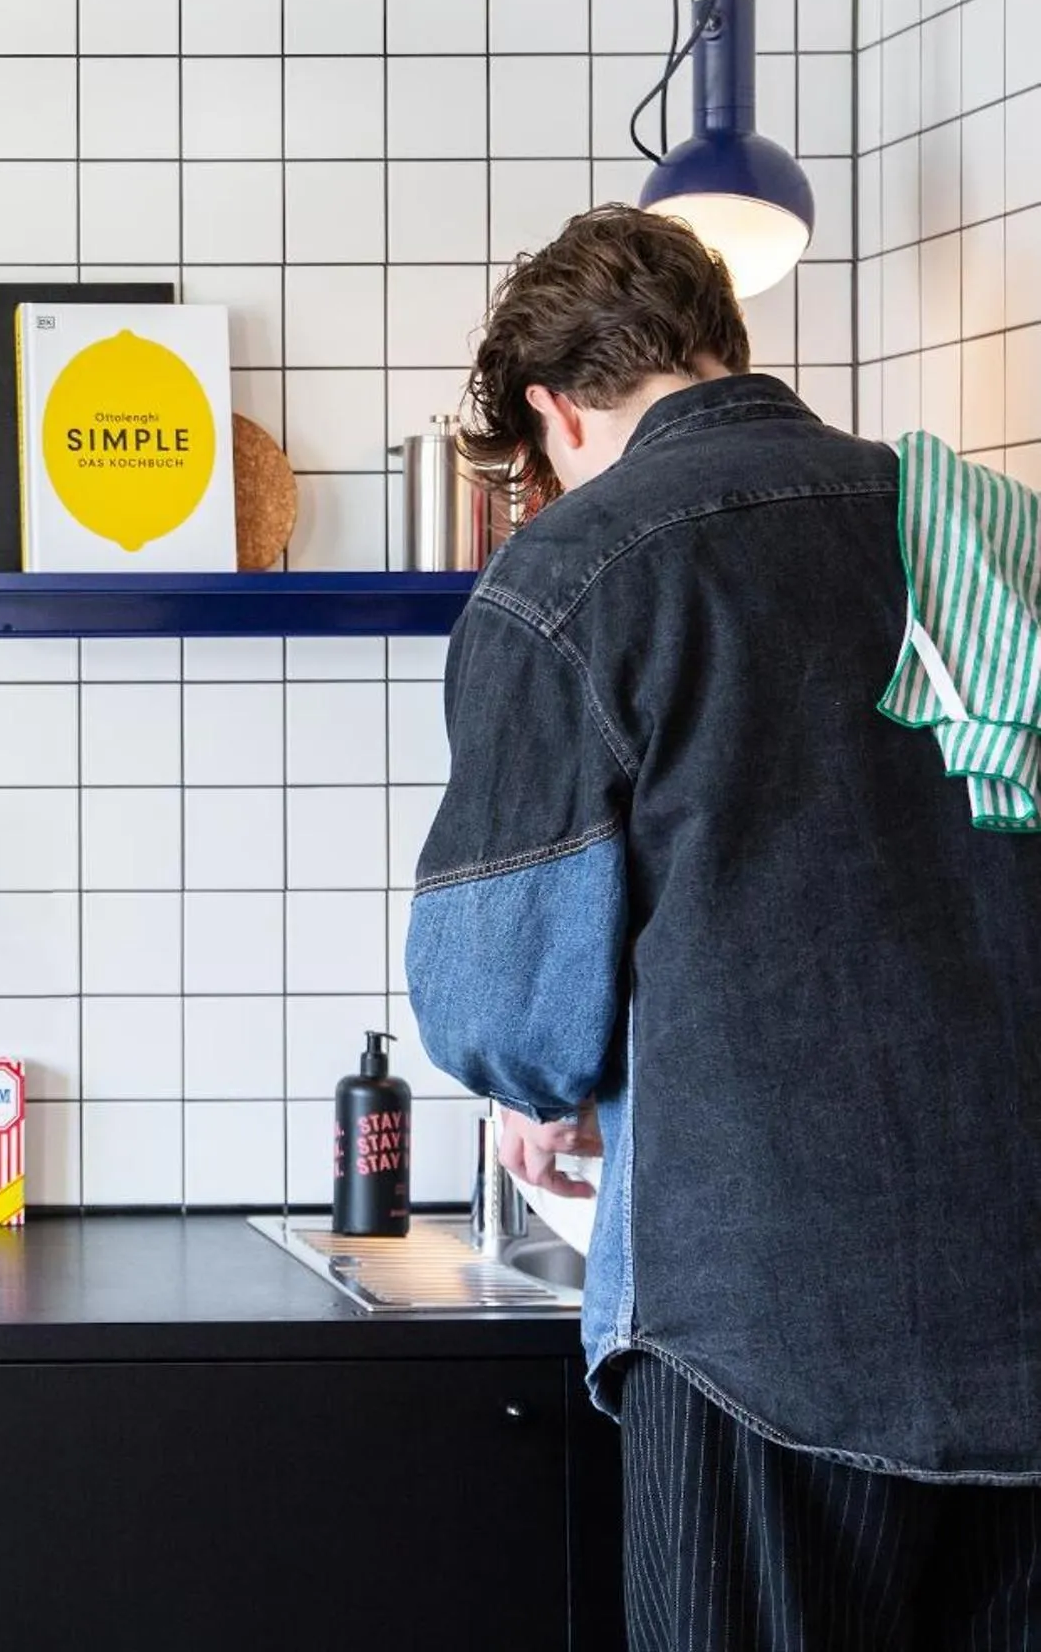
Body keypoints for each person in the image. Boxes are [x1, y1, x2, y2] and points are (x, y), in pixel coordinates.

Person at [408, 204, 1041, 1649]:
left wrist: (539, 1089)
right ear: (718, 343)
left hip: (763, 1333)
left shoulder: (571, 574)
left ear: (558, 414)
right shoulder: (977, 530)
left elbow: (500, 1002)